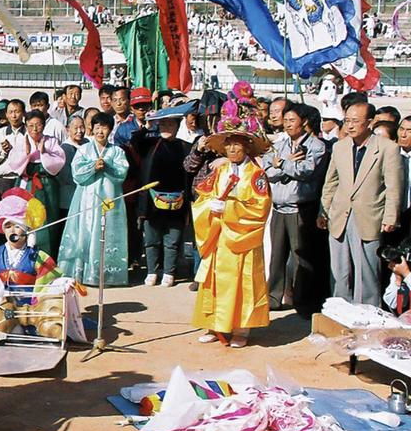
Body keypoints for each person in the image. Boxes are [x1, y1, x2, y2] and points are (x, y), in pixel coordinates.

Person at [192, 103, 272, 347]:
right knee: (214, 281)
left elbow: (260, 207)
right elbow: (202, 197)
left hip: (241, 237)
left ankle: (240, 329)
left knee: (242, 283)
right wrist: (209, 206)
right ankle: (213, 324)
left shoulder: (256, 175)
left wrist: (229, 208)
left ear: (247, 146)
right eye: (229, 143)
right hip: (218, 236)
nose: (233, 148)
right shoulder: (219, 170)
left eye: (238, 143)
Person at [319, 101, 404, 306]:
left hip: (369, 216)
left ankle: (366, 314)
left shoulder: (387, 148)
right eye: (347, 120)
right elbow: (331, 182)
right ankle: (339, 312)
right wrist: (323, 211)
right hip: (340, 214)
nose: (350, 126)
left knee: (367, 270)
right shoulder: (340, 147)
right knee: (339, 271)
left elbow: (394, 186)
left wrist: (390, 216)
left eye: (355, 121)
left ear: (370, 122)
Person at [262, 103, 327, 315]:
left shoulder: (316, 146)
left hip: (301, 208)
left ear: (304, 122)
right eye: (286, 120)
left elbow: (306, 171)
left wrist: (281, 165)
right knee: (277, 255)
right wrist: (286, 164)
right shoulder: (280, 144)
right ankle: (273, 296)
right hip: (279, 207)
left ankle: (303, 302)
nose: (288, 125)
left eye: (292, 120)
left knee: (302, 259)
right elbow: (266, 170)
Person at [58, 112, 129, 286]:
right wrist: (92, 167)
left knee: (108, 232)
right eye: (97, 128)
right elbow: (77, 173)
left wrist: (108, 166)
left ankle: (106, 274)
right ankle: (83, 272)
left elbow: (122, 172)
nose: (100, 132)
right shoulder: (84, 149)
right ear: (92, 129)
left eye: (104, 128)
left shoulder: (117, 151)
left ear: (110, 130)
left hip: (110, 200)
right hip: (87, 199)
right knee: (85, 231)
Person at [132, 105, 193, 287]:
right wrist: (148, 126)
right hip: (152, 201)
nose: (166, 128)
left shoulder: (185, 147)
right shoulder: (150, 144)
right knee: (151, 240)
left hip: (177, 201)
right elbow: (135, 140)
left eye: (170, 124)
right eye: (163, 124)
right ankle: (152, 271)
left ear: (177, 126)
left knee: (172, 240)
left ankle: (169, 272)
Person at [2, 110, 66, 256]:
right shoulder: (21, 141)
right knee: (23, 219)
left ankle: (46, 256)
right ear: (26, 126)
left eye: (38, 125)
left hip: (47, 185)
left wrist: (44, 152)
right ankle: (22, 254)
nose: (35, 129)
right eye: (31, 126)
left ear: (44, 125)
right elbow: (14, 164)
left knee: (47, 220)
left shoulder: (51, 141)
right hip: (26, 184)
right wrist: (26, 153)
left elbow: (58, 163)